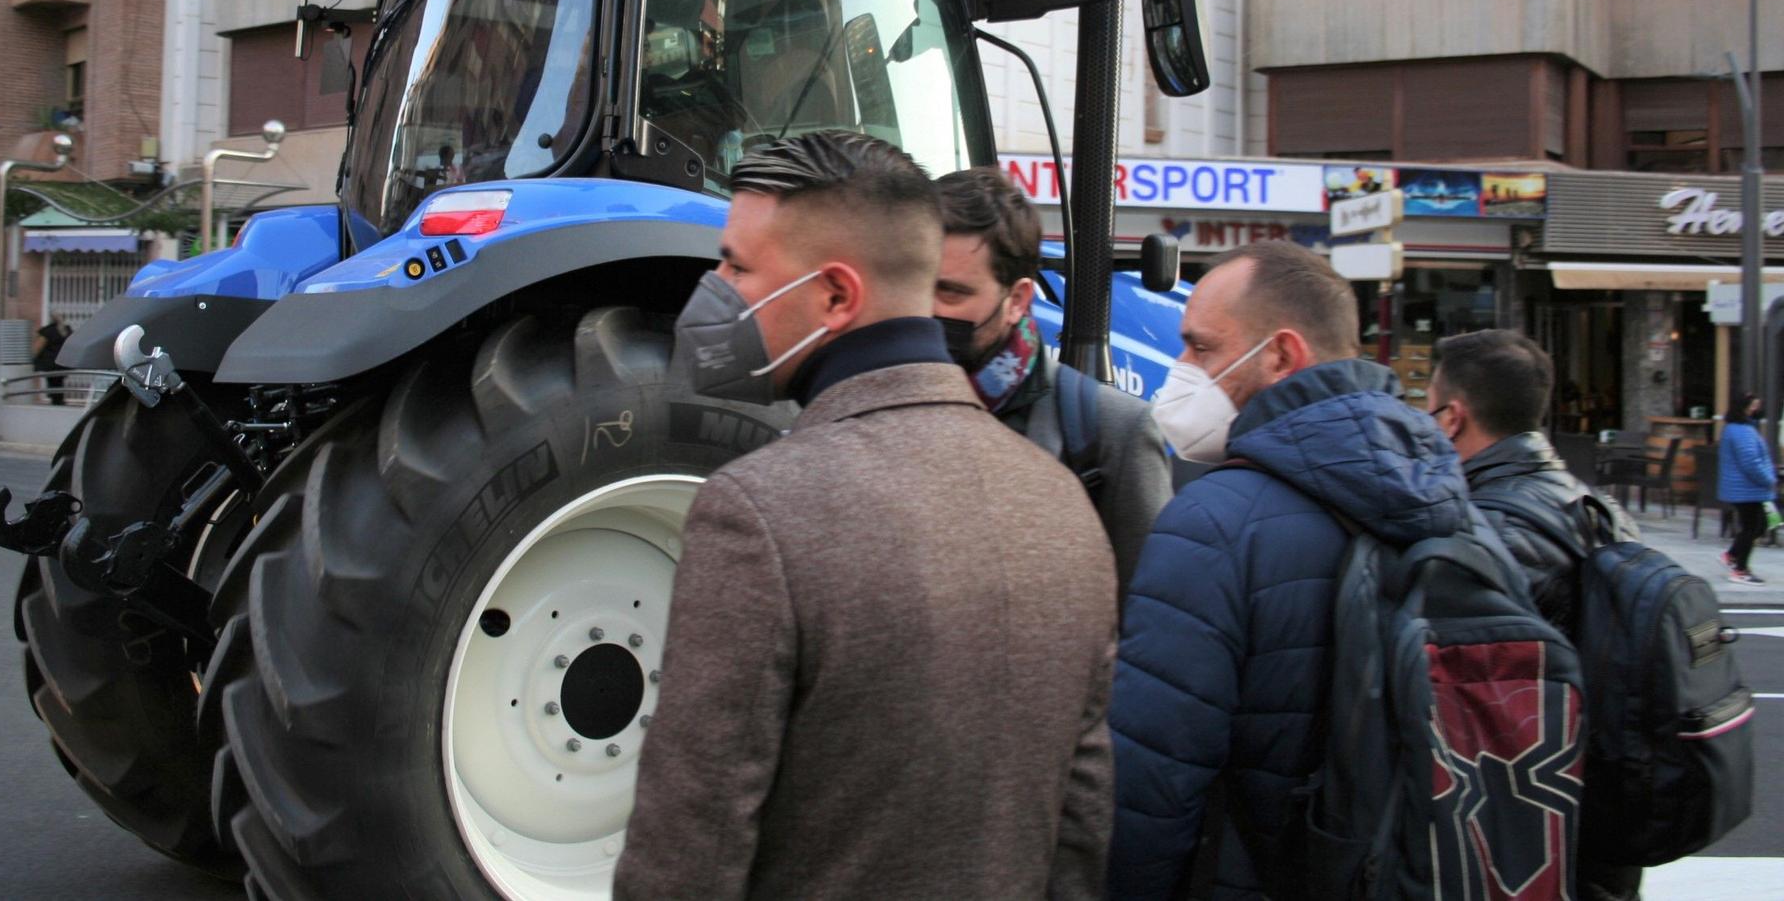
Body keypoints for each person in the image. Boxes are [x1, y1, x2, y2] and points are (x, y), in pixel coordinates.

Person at [618, 132, 1117, 899]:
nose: (714, 287)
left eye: (738, 265)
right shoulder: (1062, 504)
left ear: (836, 296)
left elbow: (688, 848)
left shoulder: (756, 513)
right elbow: (1079, 828)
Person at [1106, 241, 1469, 900]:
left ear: (1281, 355)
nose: (1180, 366)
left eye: (1201, 347)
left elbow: (1153, 784)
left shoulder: (1213, 522)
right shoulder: (1448, 491)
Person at [1426, 328, 1642, 901]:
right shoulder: (1594, 504)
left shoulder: (1489, 529)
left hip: (1537, 817)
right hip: (1607, 792)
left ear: (1451, 417)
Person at [932, 166, 1169, 594]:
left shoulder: (1112, 433)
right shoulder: (867, 398)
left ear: (1017, 300)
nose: (926, 310)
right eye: (916, 284)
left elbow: (1151, 620)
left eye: (951, 293)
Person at [1720, 390, 1778, 586]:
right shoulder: (1742, 431)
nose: (1756, 409)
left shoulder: (1735, 428)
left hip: (1744, 489)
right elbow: (1750, 463)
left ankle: (1732, 555)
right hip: (1746, 489)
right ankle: (1740, 569)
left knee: (1758, 525)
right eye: (1753, 406)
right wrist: (1769, 478)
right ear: (1744, 407)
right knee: (1752, 527)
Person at [32, 314, 72, 407]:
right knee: (59, 381)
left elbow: (38, 347)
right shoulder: (67, 331)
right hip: (62, 362)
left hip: (51, 363)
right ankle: (59, 399)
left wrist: (32, 358)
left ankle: (55, 399)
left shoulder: (48, 331)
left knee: (53, 381)